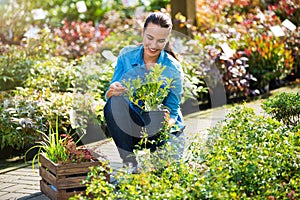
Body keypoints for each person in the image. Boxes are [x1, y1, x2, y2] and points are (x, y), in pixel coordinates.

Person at [104, 12, 185, 171]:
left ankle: (161, 153)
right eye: (149, 38)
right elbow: (110, 93)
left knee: (164, 172)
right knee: (114, 103)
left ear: (167, 40)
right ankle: (130, 163)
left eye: (161, 41)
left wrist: (161, 130)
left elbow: (173, 110)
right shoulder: (126, 56)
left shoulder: (173, 69)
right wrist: (112, 91)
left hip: (163, 126)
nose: (154, 45)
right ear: (143, 33)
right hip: (135, 125)